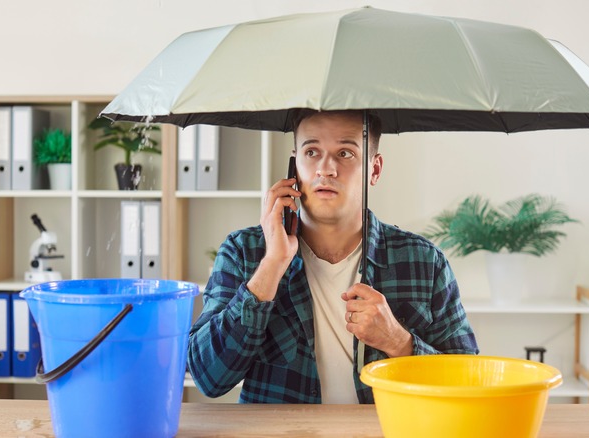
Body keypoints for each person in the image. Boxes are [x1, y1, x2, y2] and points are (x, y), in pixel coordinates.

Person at [187, 109, 478, 404]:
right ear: (294, 166)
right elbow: (209, 378)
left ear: (374, 170)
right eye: (312, 151)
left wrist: (398, 342)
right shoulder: (244, 252)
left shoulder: (424, 263)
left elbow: (468, 384)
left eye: (345, 153)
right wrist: (272, 266)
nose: (326, 169)